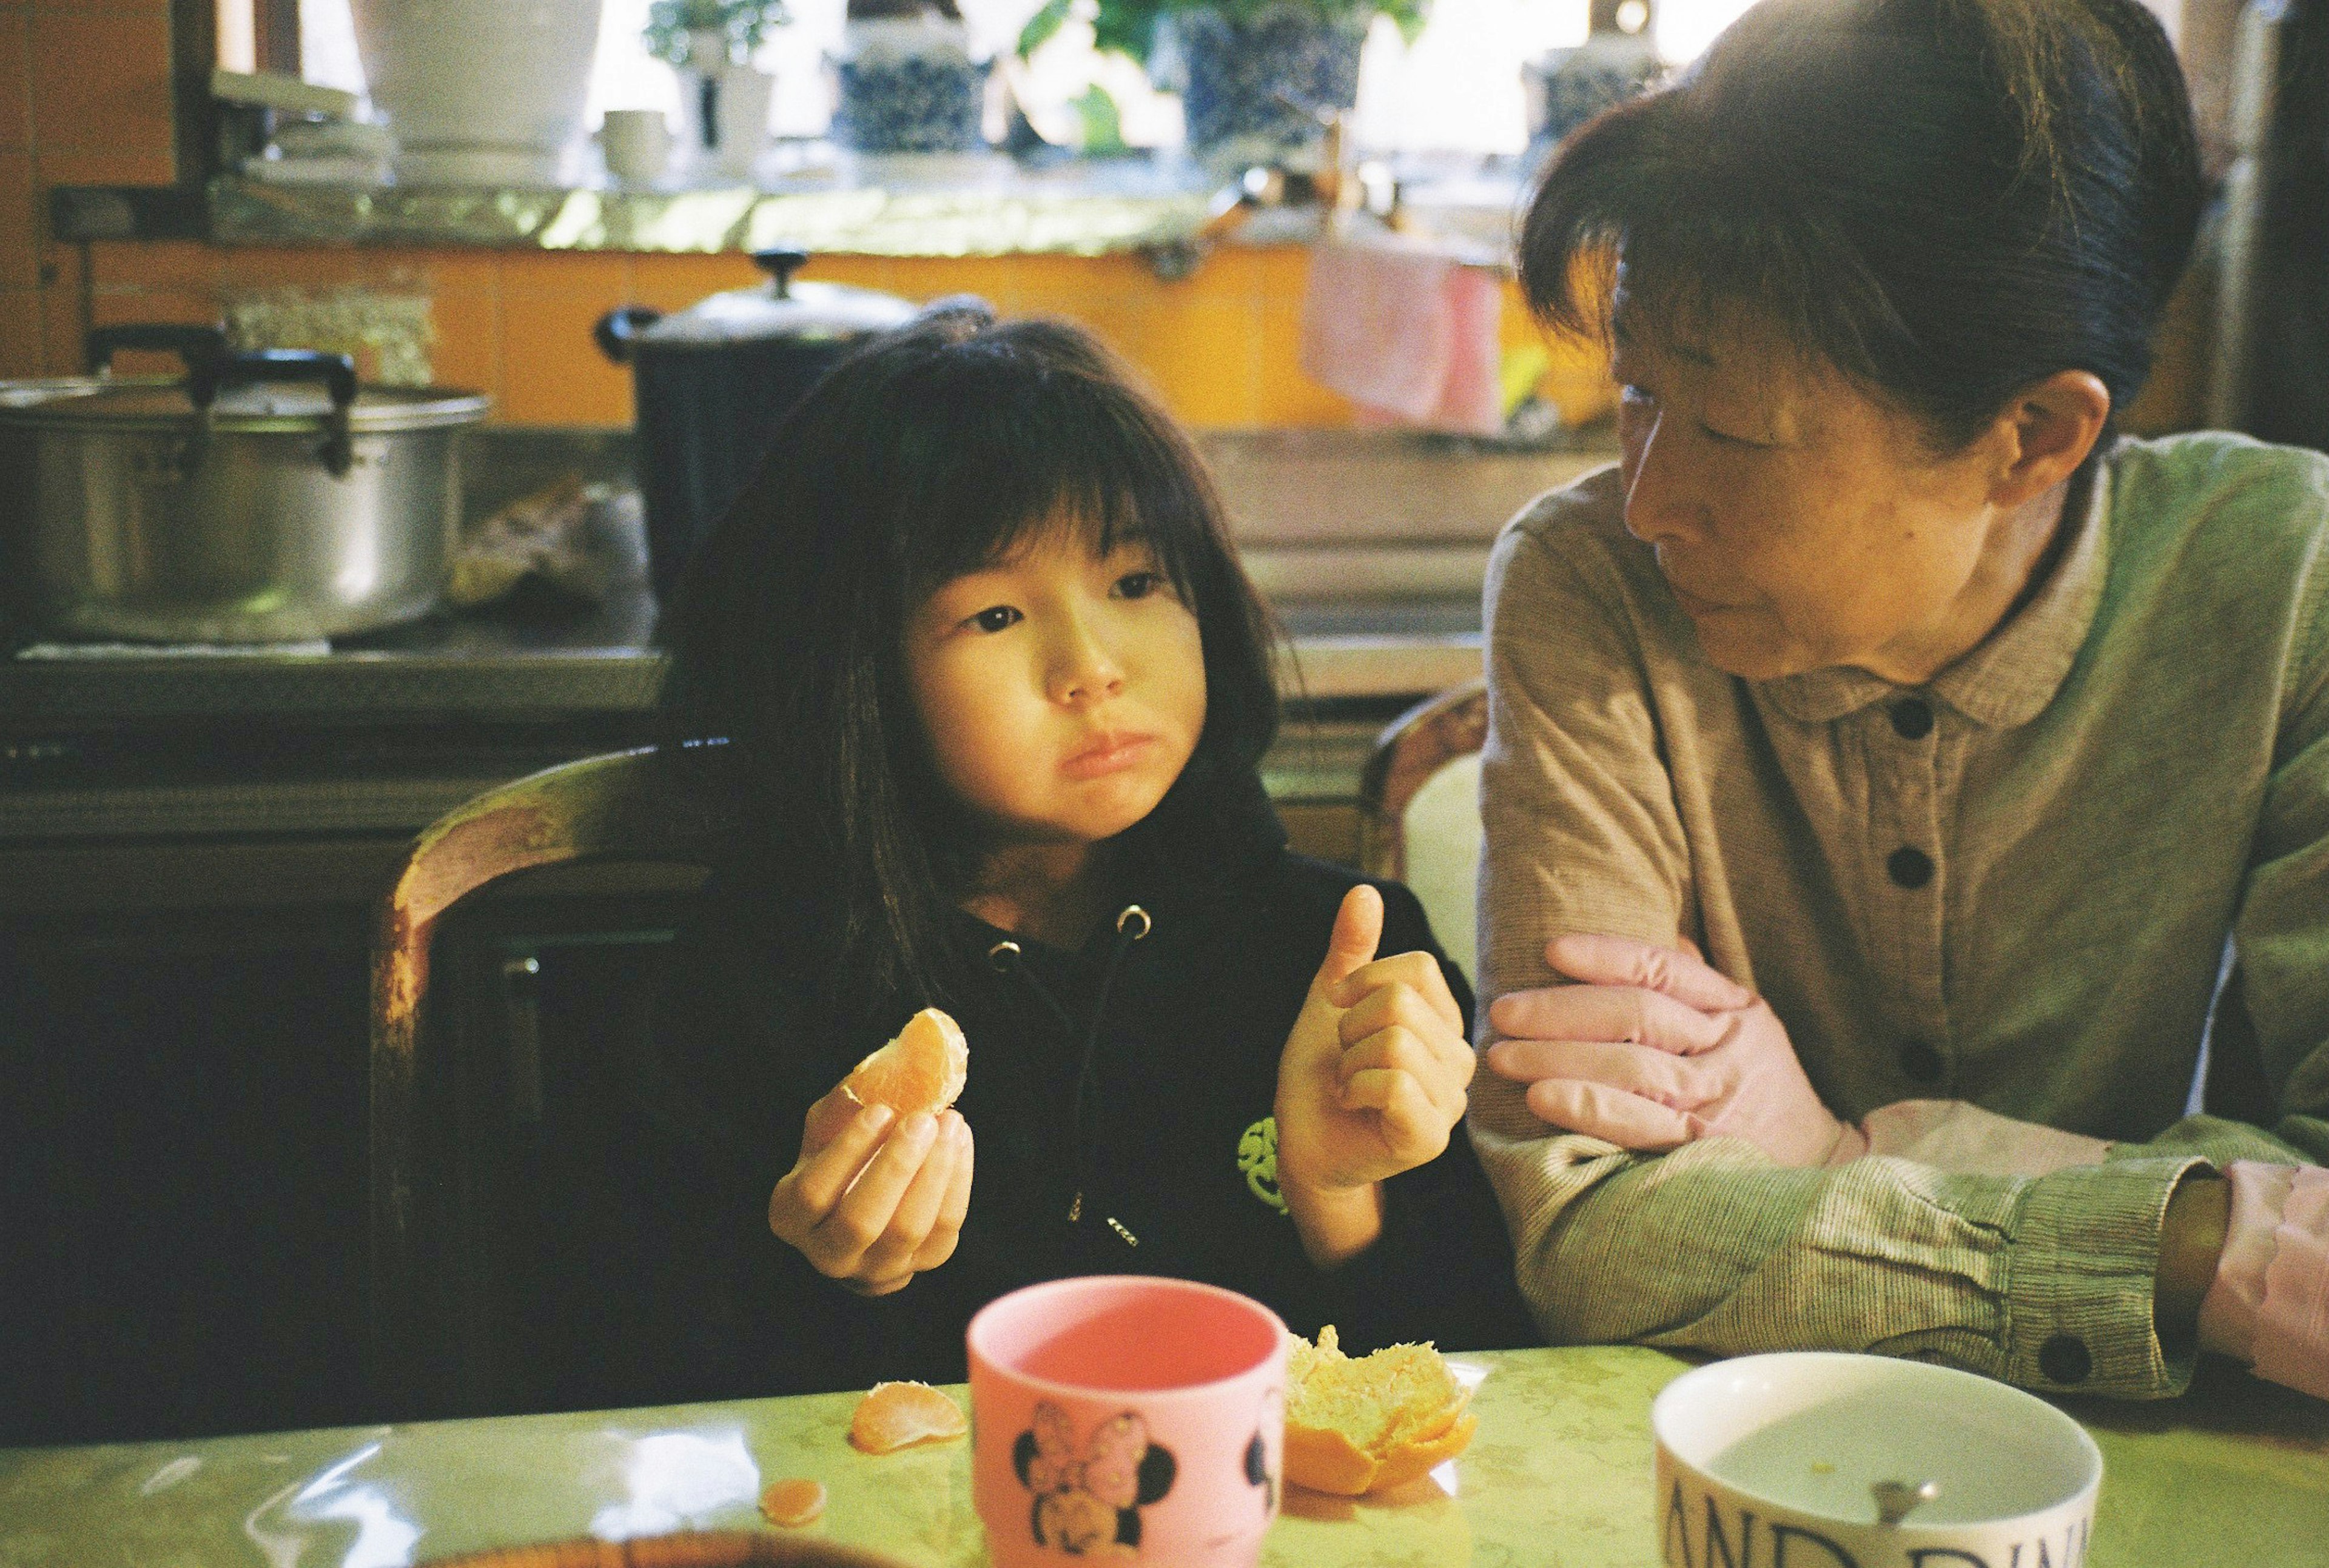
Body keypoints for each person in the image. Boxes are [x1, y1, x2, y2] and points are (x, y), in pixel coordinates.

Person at [1471, 0, 2328, 1401]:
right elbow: (1596, 1232)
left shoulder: (2288, 582)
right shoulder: (1591, 586)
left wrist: (1847, 1157)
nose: (1649, 498)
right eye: (1634, 392)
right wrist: (2188, 1245)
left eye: (1737, 434)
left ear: (2033, 438)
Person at [604, 307, 1533, 1401]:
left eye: (1137, 584)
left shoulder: (1338, 959)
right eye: (996, 614)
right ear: (855, 677)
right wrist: (831, 1271)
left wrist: (1339, 1195)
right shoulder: (757, 980)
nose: (1091, 666)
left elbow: (1490, 1386)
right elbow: (642, 1398)